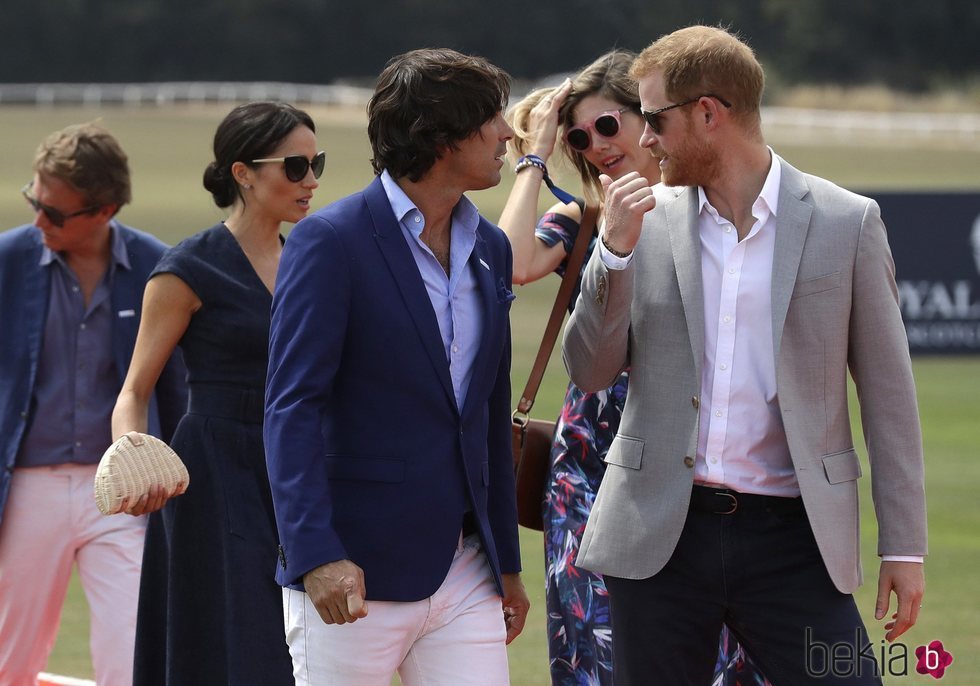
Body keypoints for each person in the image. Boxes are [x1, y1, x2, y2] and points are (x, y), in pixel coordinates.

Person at [562, 26, 927, 685]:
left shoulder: (847, 222)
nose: (643, 141)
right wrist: (611, 255)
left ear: (709, 113)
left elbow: (889, 396)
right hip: (658, 537)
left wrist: (904, 546)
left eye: (655, 120)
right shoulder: (644, 223)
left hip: (796, 540)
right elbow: (588, 370)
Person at [499, 50, 769, 686]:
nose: (595, 146)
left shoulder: (718, 214)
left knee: (720, 655)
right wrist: (534, 156)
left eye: (608, 126)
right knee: (599, 655)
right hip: (591, 469)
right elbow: (509, 265)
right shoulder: (581, 219)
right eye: (578, 137)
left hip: (694, 462)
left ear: (648, 118)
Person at [264, 48, 529, 685]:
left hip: (467, 570)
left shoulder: (490, 245)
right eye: (492, 118)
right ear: (440, 137)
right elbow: (291, 408)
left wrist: (506, 562)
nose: (509, 134)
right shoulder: (329, 241)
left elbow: (489, 412)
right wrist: (316, 555)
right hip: (353, 572)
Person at [111, 101, 322, 685]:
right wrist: (134, 453)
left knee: (308, 648)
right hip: (216, 475)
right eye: (295, 167)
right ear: (243, 173)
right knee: (240, 643)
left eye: (316, 164)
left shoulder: (311, 256)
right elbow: (134, 389)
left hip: (300, 467)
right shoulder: (186, 269)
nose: (311, 181)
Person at [0, 123, 187, 686]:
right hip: (25, 485)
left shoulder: (160, 267)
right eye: (36, 202)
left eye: (55, 214)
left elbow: (180, 390)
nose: (38, 221)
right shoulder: (6, 262)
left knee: (133, 655)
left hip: (125, 491)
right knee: (10, 654)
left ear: (104, 210)